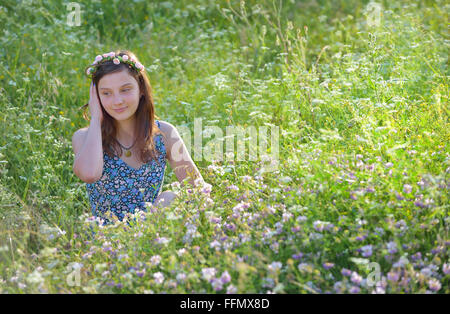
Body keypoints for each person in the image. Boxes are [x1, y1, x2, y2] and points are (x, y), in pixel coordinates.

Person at [72, 50, 209, 225]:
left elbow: (199, 190)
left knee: (169, 198)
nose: (117, 100)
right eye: (106, 93)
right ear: (96, 96)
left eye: (125, 90)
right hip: (108, 243)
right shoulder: (84, 137)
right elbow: (89, 174)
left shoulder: (164, 134)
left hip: (151, 237)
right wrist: (95, 118)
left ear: (141, 89)